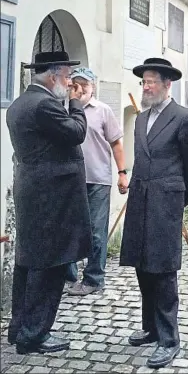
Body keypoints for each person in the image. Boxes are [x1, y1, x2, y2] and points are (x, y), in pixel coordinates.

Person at [5, 51, 92, 354]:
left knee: (28, 264)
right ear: (53, 75)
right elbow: (76, 133)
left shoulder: (19, 103)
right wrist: (78, 105)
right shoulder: (44, 105)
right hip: (51, 198)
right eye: (68, 77)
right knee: (49, 265)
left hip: (32, 194)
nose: (70, 84)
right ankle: (34, 335)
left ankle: (20, 329)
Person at [119, 57, 188, 368]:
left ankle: (169, 339)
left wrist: (179, 198)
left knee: (164, 269)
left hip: (166, 202)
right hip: (141, 198)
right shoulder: (141, 119)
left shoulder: (184, 118)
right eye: (144, 81)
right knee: (143, 264)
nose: (146, 86)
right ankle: (151, 328)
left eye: (152, 81)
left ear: (168, 84)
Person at [64, 67, 129, 296]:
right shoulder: (64, 110)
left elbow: (116, 143)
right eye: (75, 84)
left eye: (85, 84)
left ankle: (94, 278)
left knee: (96, 232)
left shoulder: (102, 111)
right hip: (70, 179)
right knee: (69, 230)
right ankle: (68, 277)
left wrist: (122, 173)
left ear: (93, 87)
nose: (80, 89)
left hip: (98, 179)